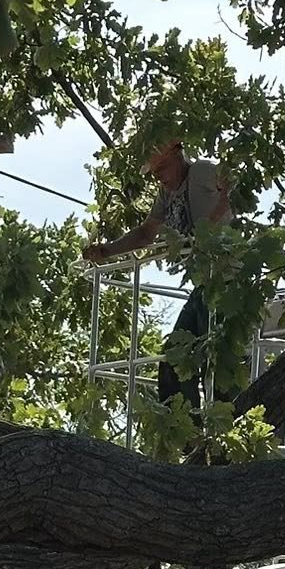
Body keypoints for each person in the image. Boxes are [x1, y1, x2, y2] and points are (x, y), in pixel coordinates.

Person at [82, 140, 232, 410]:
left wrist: (209, 227)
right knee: (175, 358)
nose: (158, 176)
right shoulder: (166, 196)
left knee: (219, 359)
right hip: (203, 286)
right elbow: (145, 233)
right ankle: (190, 433)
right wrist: (107, 250)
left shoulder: (201, 172)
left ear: (178, 154)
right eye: (154, 172)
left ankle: (229, 423)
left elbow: (234, 184)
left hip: (226, 281)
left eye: (162, 167)